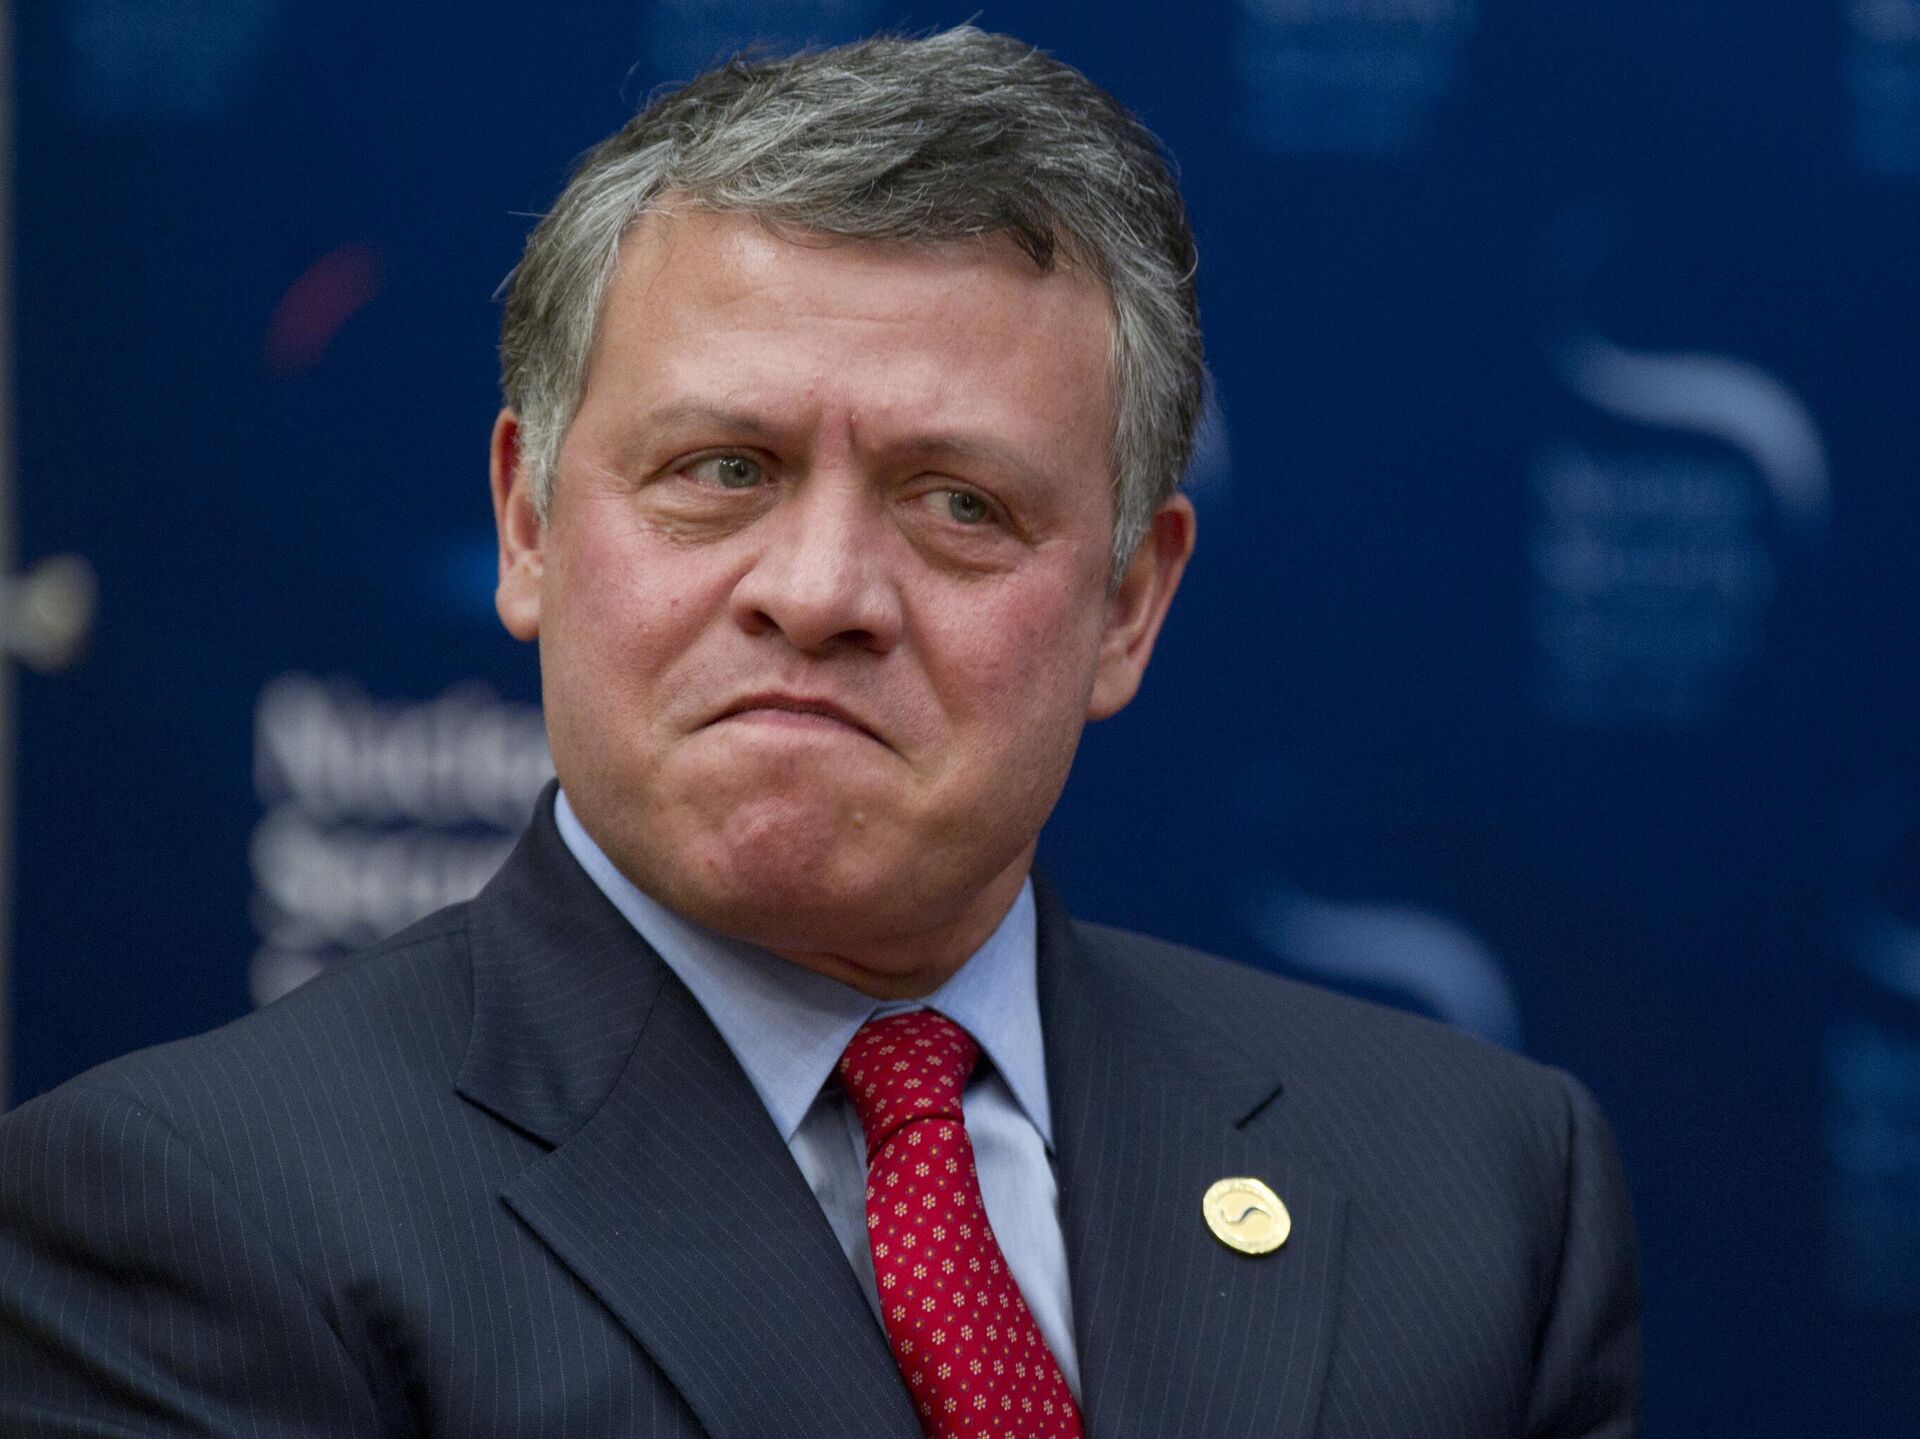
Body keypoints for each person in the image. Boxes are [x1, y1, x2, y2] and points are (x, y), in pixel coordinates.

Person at [0, 27, 1640, 1438]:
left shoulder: (1480, 1188)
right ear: (529, 526)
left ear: (1129, 605)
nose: (821, 591)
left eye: (959, 502)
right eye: (723, 471)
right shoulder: (191, 1214)